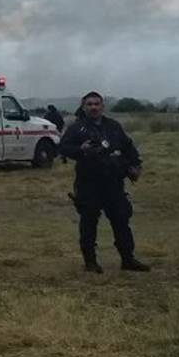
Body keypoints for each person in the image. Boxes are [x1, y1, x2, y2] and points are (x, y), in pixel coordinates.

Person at [59, 91, 150, 273]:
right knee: (89, 223)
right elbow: (63, 148)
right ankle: (91, 263)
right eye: (89, 104)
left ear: (102, 106)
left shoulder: (114, 126)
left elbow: (128, 147)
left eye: (97, 104)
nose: (93, 107)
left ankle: (128, 259)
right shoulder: (77, 128)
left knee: (121, 221)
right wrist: (81, 149)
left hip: (113, 183)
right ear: (84, 107)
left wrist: (135, 165)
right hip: (88, 183)